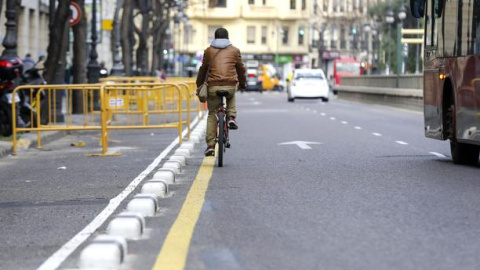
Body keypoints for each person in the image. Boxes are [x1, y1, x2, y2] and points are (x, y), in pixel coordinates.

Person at [196, 27, 246, 156]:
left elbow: (203, 69)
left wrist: (199, 85)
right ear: (228, 38)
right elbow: (241, 69)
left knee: (212, 114)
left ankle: (211, 146)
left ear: (215, 38)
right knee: (231, 95)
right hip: (229, 85)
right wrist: (242, 84)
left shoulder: (208, 51)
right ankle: (231, 117)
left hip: (212, 86)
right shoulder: (235, 50)